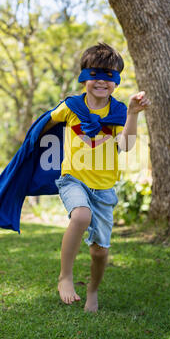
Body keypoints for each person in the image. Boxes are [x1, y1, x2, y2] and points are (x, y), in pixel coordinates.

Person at [39, 42, 151, 312]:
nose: (101, 81)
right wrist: (32, 146)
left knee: (99, 251)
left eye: (109, 75)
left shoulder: (119, 112)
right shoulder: (71, 107)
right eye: (95, 74)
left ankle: (93, 290)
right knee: (80, 215)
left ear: (116, 81)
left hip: (103, 189)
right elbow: (44, 124)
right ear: (84, 76)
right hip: (73, 178)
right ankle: (65, 277)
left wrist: (133, 114)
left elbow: (125, 146)